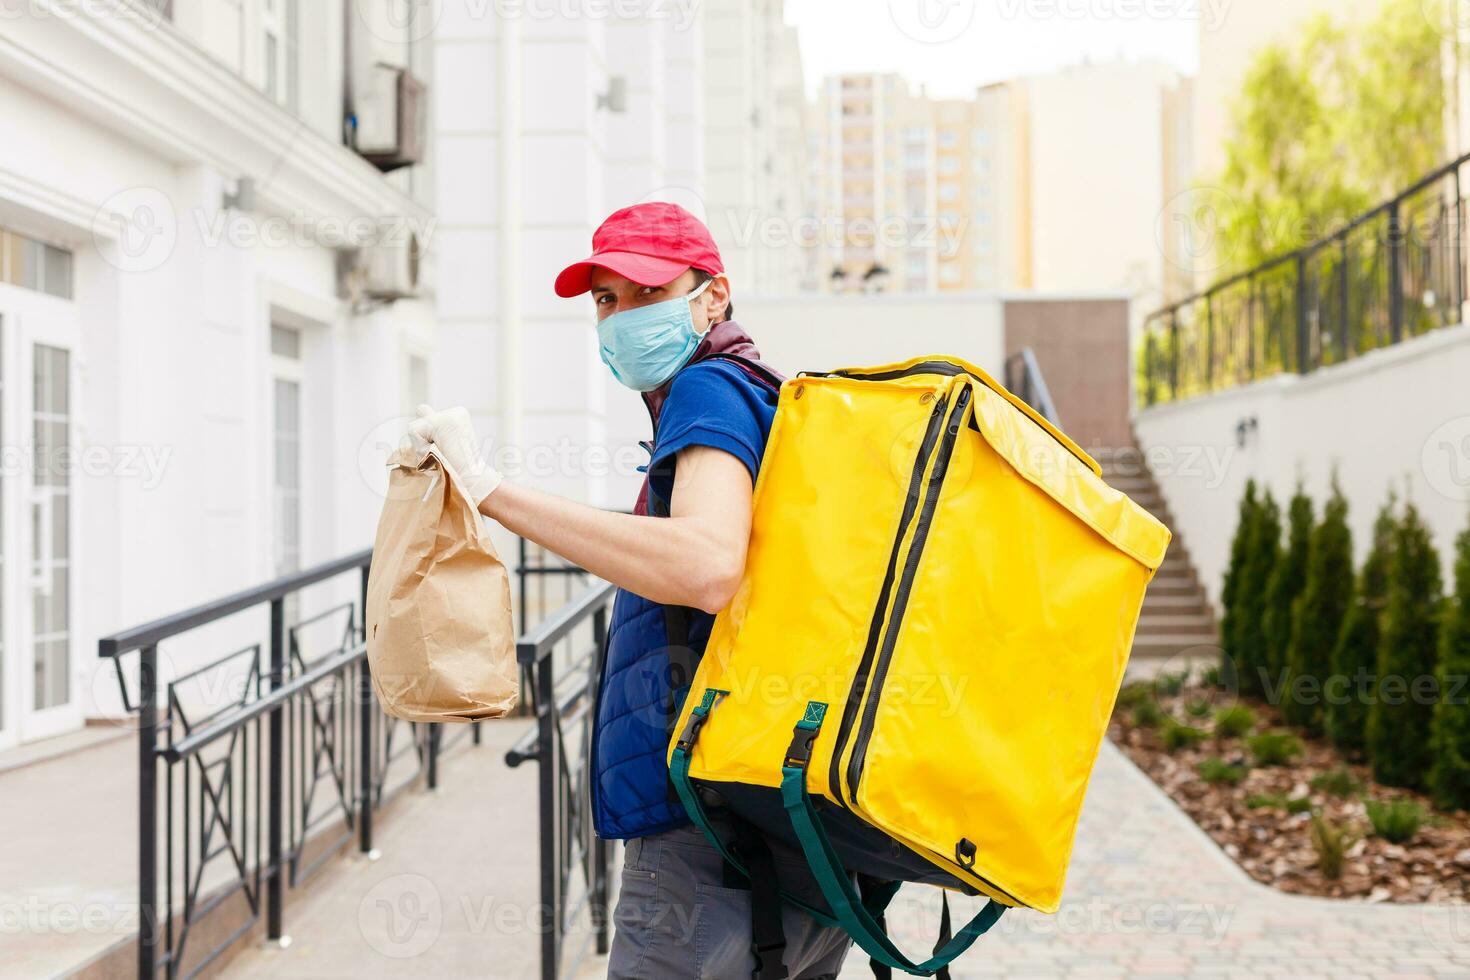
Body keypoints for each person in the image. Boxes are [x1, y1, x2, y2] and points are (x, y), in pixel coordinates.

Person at [404, 202, 853, 979]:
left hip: (704, 841)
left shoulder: (710, 389)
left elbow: (705, 565)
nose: (621, 318)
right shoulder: (760, 393)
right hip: (788, 836)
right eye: (606, 300)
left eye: (647, 294)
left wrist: (489, 490)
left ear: (712, 296)